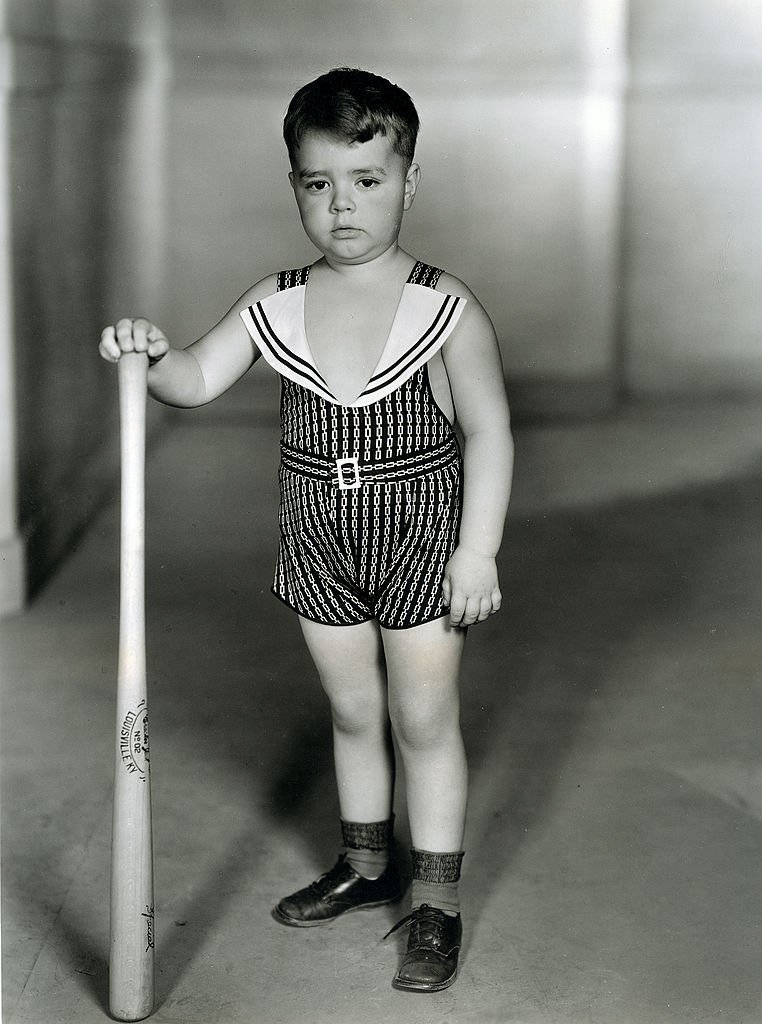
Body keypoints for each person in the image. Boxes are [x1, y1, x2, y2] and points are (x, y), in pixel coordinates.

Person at [100, 67, 513, 993]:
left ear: (409, 179)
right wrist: (150, 351)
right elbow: (196, 380)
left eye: (367, 181)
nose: (343, 207)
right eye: (318, 184)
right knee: (354, 709)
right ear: (295, 185)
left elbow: (488, 428)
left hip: (418, 532)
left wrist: (476, 547)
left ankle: (437, 902)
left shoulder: (444, 307)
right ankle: (368, 867)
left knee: (421, 714)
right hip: (316, 531)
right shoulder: (275, 300)